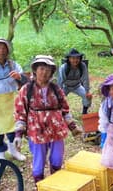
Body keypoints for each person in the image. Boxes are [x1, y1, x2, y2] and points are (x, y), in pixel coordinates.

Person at [14, 55, 82, 183]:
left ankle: (55, 184)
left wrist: (72, 127)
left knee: (57, 159)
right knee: (38, 162)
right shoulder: (26, 90)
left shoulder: (56, 89)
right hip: (36, 131)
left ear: (52, 72)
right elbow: (20, 112)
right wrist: (18, 133)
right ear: (35, 70)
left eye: (48, 69)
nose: (44, 72)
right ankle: (40, 186)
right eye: (41, 68)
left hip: (56, 130)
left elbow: (65, 110)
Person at [57, 48, 92, 114]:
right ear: (69, 59)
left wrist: (87, 91)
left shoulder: (83, 66)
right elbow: (60, 81)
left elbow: (85, 79)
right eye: (73, 58)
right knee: (58, 99)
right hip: (65, 86)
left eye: (77, 58)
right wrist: (59, 93)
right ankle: (60, 113)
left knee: (87, 96)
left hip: (77, 86)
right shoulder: (63, 67)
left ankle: (84, 113)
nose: (75, 60)